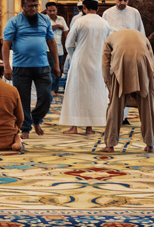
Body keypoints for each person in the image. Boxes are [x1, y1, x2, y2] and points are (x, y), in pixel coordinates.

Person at [2, 0, 59, 139]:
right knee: (23, 100)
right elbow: (5, 45)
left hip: (42, 66)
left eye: (35, 6)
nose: (33, 9)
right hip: (21, 67)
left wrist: (56, 64)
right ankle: (25, 128)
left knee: (47, 95)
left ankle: (36, 118)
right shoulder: (14, 22)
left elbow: (51, 42)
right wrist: (7, 67)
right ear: (23, 6)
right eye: (30, 6)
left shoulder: (44, 20)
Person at [60, 0, 110, 135]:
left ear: (84, 8)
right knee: (94, 93)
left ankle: (74, 127)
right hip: (98, 62)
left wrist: (74, 56)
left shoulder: (80, 21)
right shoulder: (104, 23)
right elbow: (108, 44)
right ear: (98, 8)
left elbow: (69, 44)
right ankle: (89, 128)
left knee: (76, 93)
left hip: (80, 62)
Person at [101, 30, 154, 153]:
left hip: (121, 63)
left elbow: (105, 64)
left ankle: (110, 145)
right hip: (144, 62)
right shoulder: (142, 36)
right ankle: (150, 144)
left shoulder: (109, 38)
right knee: (148, 106)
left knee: (115, 107)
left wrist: (110, 87)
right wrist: (149, 80)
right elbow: (151, 59)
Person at [45, 2, 68, 96]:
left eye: (54, 10)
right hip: (48, 49)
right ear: (46, 11)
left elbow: (66, 31)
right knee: (52, 70)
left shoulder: (61, 19)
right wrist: (58, 26)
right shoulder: (45, 19)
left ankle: (57, 90)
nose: (52, 12)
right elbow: (46, 30)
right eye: (50, 10)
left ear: (56, 10)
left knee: (59, 70)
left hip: (60, 49)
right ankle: (51, 90)